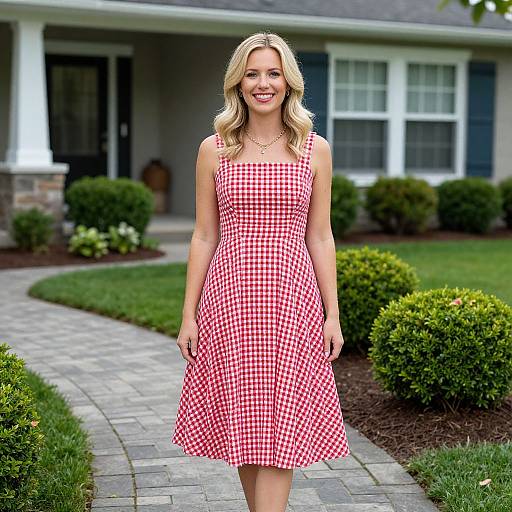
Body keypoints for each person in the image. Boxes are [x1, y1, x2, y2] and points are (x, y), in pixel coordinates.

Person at [171, 31, 350, 512]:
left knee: (282, 422)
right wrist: (189, 315)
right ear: (238, 83)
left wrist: (332, 315)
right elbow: (204, 235)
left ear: (289, 81)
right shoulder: (216, 148)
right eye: (253, 73)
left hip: (292, 300)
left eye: (273, 73)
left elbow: (321, 236)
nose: (263, 83)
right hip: (230, 301)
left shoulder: (315, 148)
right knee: (248, 424)